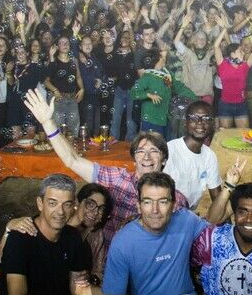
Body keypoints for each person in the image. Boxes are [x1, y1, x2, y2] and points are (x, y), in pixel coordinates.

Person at [24, 88, 188, 241]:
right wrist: (47, 122)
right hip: (111, 262)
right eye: (140, 151)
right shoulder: (116, 179)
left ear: (164, 159)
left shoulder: (177, 199)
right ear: (134, 158)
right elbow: (72, 160)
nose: (146, 157)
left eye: (153, 151)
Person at [165, 99, 221, 210]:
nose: (200, 122)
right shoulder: (170, 151)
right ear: (186, 123)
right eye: (194, 118)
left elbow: (217, 197)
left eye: (206, 118)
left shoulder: (209, 156)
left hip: (190, 214)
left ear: (212, 124)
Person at [43, 36, 84, 137]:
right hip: (57, 99)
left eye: (67, 42)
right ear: (57, 46)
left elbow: (78, 77)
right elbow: (45, 81)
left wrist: (82, 89)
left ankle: (72, 152)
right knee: (57, 131)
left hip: (72, 98)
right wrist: (55, 90)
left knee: (74, 129)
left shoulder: (74, 61)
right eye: (62, 43)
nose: (65, 45)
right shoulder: (53, 61)